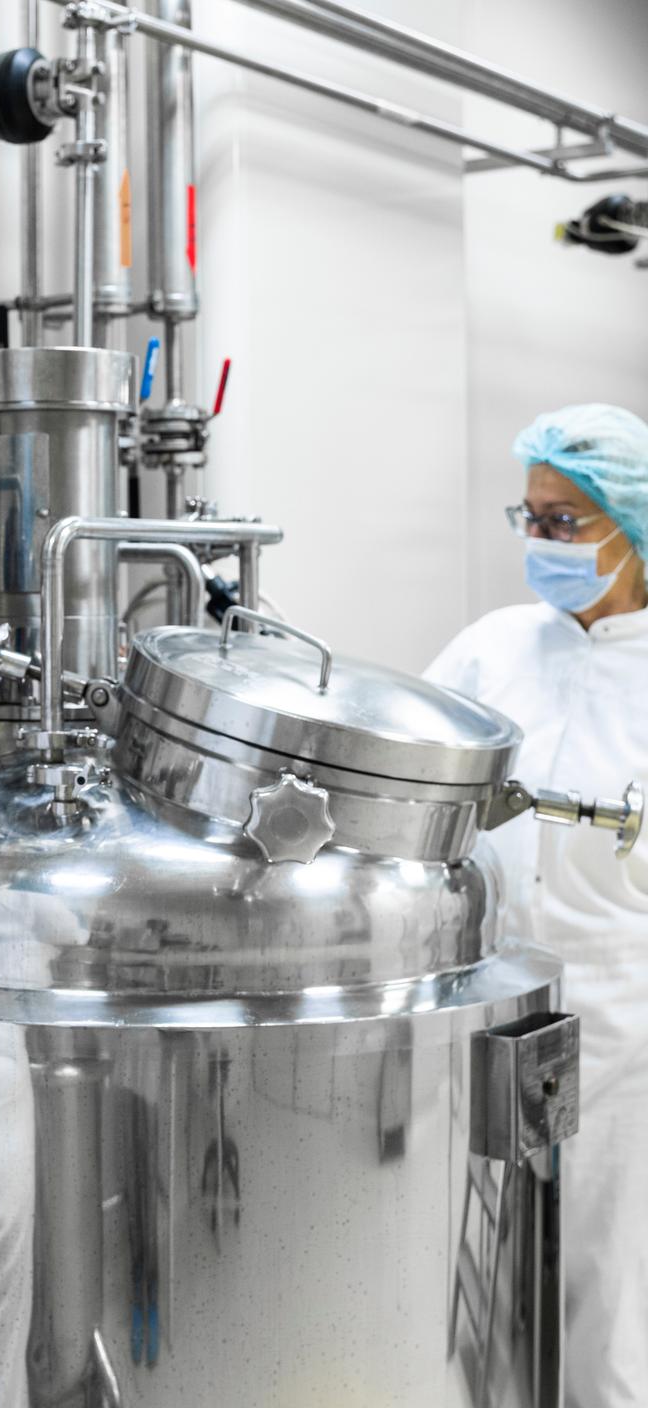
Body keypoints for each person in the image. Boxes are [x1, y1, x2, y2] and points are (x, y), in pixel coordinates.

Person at [425, 403, 648, 1408]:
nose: (540, 541)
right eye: (531, 516)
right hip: (489, 999)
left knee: (607, 1298)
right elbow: (420, 783)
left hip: (625, 1021)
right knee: (473, 1284)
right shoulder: (495, 646)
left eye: (565, 522)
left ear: (630, 528)